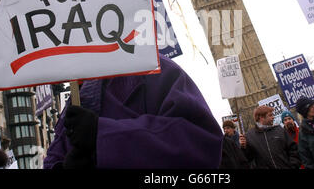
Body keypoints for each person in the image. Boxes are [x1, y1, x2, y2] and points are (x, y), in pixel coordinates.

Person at [43, 54, 223, 169]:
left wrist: (103, 136)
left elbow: (200, 144)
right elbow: (52, 160)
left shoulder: (156, 69)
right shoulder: (75, 102)